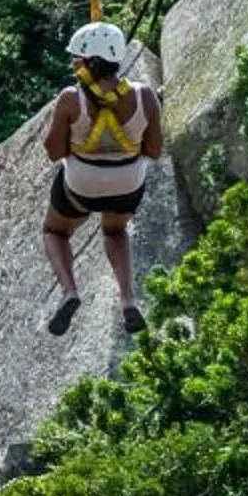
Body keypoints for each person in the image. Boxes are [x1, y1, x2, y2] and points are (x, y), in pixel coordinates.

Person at [41, 20, 162, 337]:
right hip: (128, 183)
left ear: (90, 61)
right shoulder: (145, 96)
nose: (73, 64)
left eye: (77, 58)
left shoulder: (71, 98)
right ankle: (128, 300)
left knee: (55, 231)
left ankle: (70, 292)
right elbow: (154, 149)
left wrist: (78, 141)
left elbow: (53, 151)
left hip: (82, 183)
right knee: (115, 230)